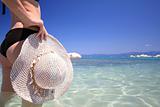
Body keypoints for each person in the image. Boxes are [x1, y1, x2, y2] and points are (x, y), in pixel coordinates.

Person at [0, 0, 48, 106]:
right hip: (26, 38)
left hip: (11, 40)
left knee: (6, 96)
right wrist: (28, 19)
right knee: (34, 98)